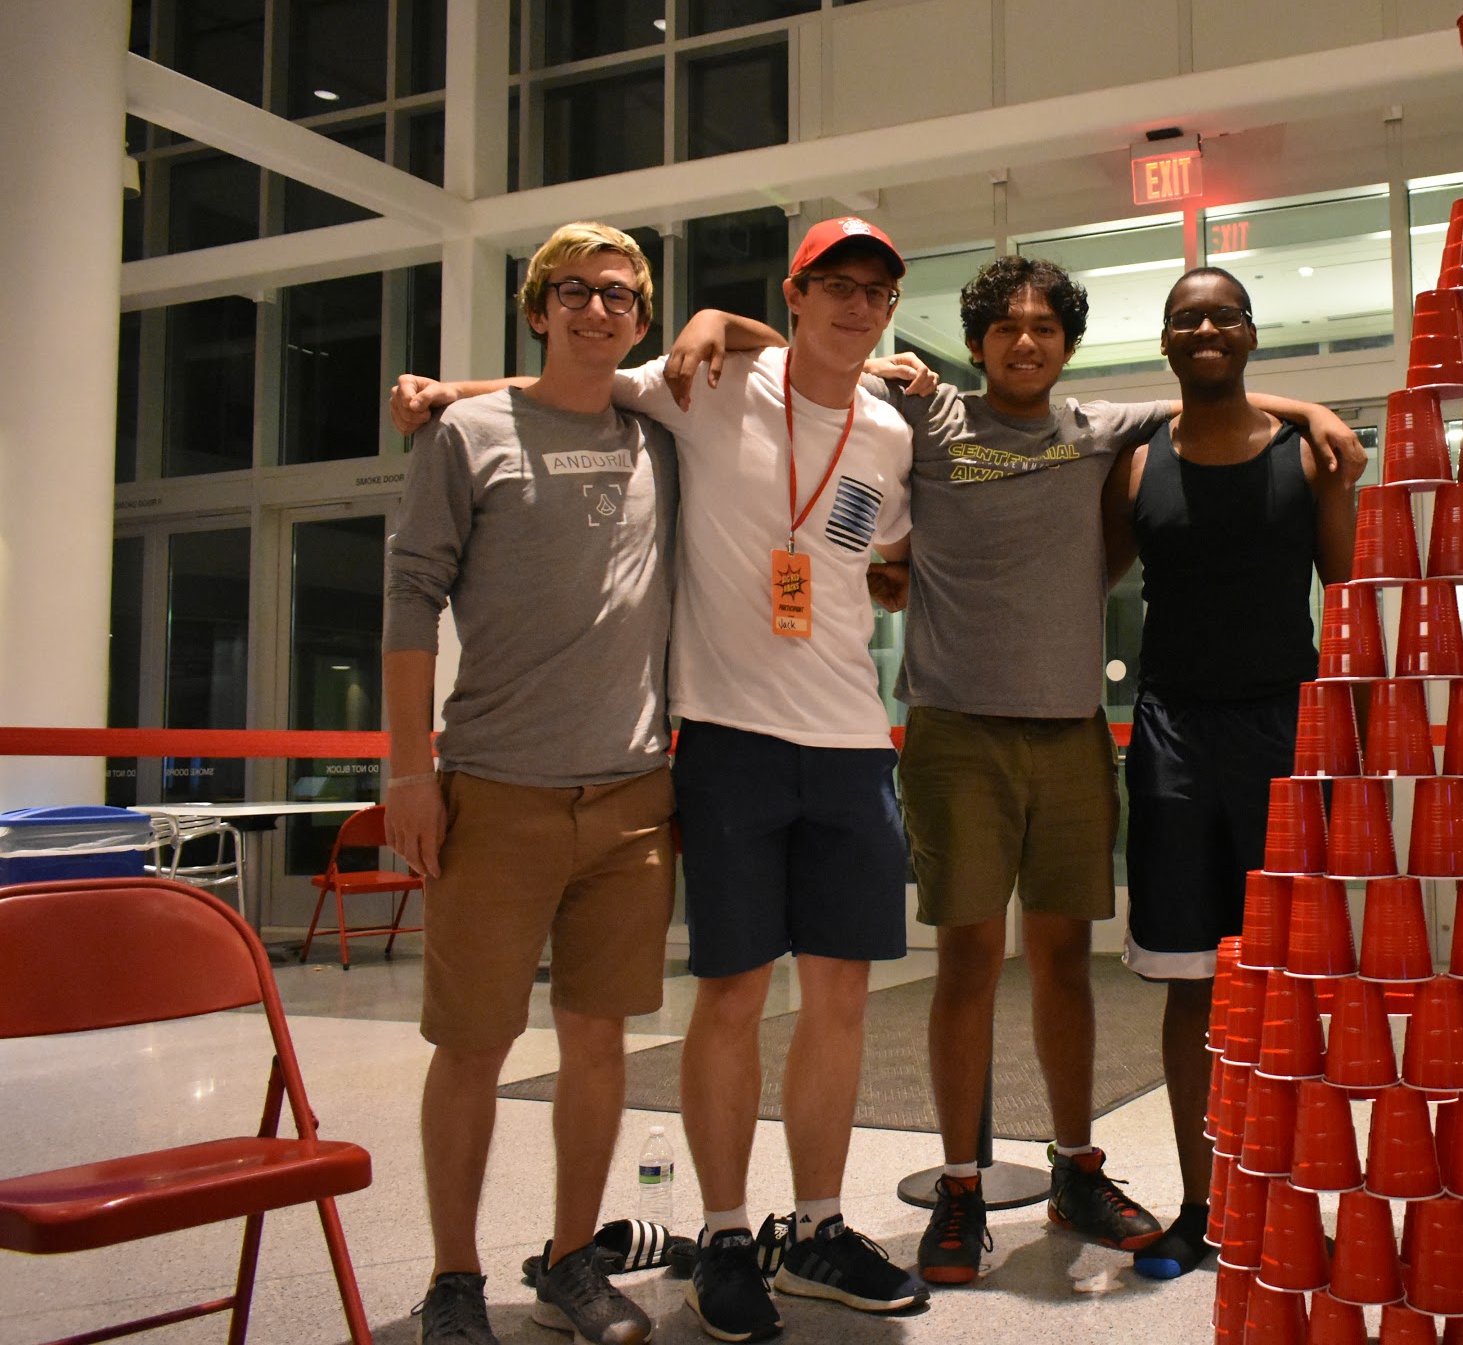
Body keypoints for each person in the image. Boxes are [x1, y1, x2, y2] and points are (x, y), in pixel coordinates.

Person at [662, 255, 1362, 1289]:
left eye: (1044, 329)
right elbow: (818, 346)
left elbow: (1205, 386)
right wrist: (720, 316)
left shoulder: (1097, 429)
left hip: (1072, 733)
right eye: (1005, 329)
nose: (1025, 344)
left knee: (1066, 958)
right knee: (968, 962)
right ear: (978, 340)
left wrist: (1304, 407)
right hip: (954, 736)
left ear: (1067, 344)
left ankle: (1077, 1165)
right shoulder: (924, 412)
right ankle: (959, 1180)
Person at [393, 217, 927, 1344]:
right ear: (792, 293)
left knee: (832, 1002)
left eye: (875, 291)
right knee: (720, 999)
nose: (854, 303)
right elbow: (573, 379)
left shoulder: (889, 431)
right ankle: (721, 1236)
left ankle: (815, 1227)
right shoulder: (707, 384)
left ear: (891, 310)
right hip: (712, 742)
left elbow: (882, 557)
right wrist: (450, 393)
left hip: (828, 748)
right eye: (833, 283)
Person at [385, 221, 680, 1345]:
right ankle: (454, 1279)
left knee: (600, 1041)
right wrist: (409, 769)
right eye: (574, 291)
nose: (597, 310)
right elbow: (411, 596)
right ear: (540, 305)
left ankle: (569, 1262)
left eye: (619, 295)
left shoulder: (660, 434)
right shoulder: (466, 434)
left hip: (631, 801)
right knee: (473, 1045)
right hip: (495, 792)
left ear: (641, 320)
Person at [1101, 266, 1358, 1277]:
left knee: (1295, 986)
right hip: (1169, 738)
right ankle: (1201, 1206)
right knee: (1187, 986)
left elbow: (1353, 598)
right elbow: (1079, 578)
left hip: (1285, 739)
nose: (1205, 330)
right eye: (1185, 319)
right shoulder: (1131, 464)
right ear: (1165, 343)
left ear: (1251, 334)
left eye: (1223, 316)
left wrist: (1362, 750)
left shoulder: (1312, 456)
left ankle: (1291, 1194)